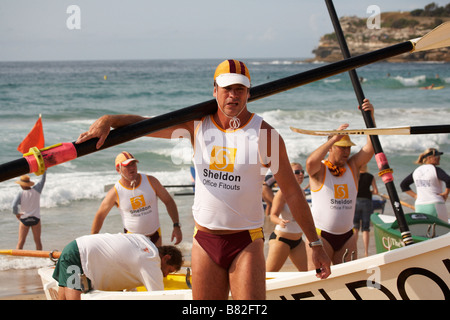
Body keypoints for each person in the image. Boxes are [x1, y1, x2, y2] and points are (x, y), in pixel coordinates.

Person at [76, 59, 331, 300]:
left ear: (248, 93)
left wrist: (315, 243)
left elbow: (293, 192)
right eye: (227, 88)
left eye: (239, 89)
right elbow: (146, 125)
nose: (233, 94)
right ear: (215, 90)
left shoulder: (265, 135)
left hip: (246, 241)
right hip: (205, 240)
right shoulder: (197, 125)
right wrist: (109, 120)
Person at [306, 99, 375, 266]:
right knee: (318, 280)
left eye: (348, 148)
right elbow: (309, 164)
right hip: (321, 235)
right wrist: (331, 139)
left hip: (347, 236)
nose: (346, 151)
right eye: (341, 147)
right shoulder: (321, 169)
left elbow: (371, 147)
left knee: (347, 280)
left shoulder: (352, 166)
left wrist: (370, 117)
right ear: (330, 148)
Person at [52, 232, 183, 300]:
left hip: (76, 246)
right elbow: (158, 297)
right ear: (166, 258)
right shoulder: (151, 259)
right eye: (169, 270)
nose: (166, 275)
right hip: (78, 254)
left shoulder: (143, 241)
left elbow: (126, 273)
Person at [91, 151, 182, 246]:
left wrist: (176, 226)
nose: (132, 168)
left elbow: (168, 201)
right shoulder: (115, 192)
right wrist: (92, 240)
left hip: (155, 236)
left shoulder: (151, 181)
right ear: (118, 169)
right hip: (132, 241)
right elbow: (100, 216)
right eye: (127, 165)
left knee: (158, 261)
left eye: (133, 164)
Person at [266, 163, 307, 272]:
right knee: (268, 276)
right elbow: (273, 215)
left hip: (298, 241)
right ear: (289, 174)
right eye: (297, 172)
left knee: (309, 273)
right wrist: (280, 221)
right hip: (281, 240)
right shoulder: (282, 193)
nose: (301, 174)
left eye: (303, 172)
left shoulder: (302, 192)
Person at [400, 148, 450, 222]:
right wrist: (446, 193)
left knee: (425, 231)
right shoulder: (436, 170)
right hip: (435, 205)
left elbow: (403, 185)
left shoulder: (416, 171)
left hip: (420, 206)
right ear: (429, 158)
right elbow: (448, 180)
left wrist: (415, 196)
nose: (439, 158)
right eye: (436, 156)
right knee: (444, 231)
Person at [12, 172, 46, 250]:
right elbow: (43, 180)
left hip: (24, 219)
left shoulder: (20, 193)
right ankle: (39, 259)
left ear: (22, 185)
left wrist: (16, 214)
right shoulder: (37, 190)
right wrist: (44, 170)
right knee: (38, 241)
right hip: (35, 219)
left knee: (21, 242)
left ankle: (18, 259)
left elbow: (14, 205)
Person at [353, 164, 378, 257]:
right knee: (365, 228)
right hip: (367, 202)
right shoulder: (370, 176)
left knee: (355, 227)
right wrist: (369, 192)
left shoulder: (355, 176)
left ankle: (354, 251)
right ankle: (366, 252)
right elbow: (376, 191)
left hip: (356, 202)